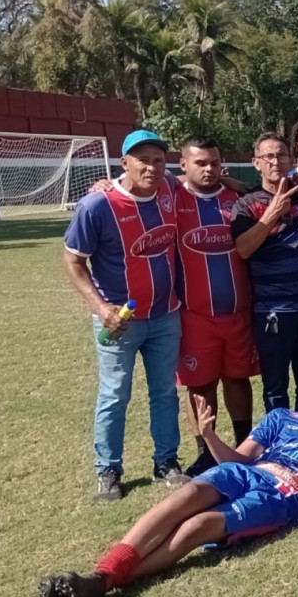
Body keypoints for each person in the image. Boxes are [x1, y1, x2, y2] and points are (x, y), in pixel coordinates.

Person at [36, 363, 298, 597]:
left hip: (282, 498)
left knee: (197, 525)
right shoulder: (281, 418)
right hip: (248, 473)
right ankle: (103, 575)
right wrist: (209, 436)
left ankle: (102, 583)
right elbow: (238, 460)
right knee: (187, 495)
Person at [63, 129, 186, 501]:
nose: (152, 167)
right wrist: (101, 309)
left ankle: (167, 461)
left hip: (166, 316)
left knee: (165, 392)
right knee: (115, 395)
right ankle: (108, 470)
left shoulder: (169, 189)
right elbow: (73, 260)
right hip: (120, 322)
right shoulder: (97, 205)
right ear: (125, 163)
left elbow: (197, 178)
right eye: (143, 160)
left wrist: (230, 179)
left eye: (159, 160)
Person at [171, 136, 256, 477]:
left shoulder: (237, 198)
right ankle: (205, 450)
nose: (208, 169)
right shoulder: (171, 198)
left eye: (214, 163)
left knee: (238, 379)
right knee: (200, 385)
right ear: (183, 165)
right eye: (200, 163)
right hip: (194, 315)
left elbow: (254, 188)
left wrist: (231, 181)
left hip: (238, 311)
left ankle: (242, 443)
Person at [231, 132, 298, 413]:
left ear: (291, 160)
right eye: (268, 157)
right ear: (256, 163)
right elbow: (244, 249)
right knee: (275, 385)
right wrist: (270, 215)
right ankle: (279, 445)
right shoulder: (245, 204)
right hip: (272, 311)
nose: (275, 162)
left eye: (281, 155)